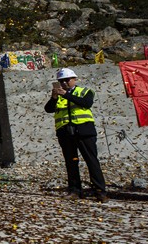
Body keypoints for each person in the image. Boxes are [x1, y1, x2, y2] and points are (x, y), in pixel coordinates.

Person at [44, 68, 107, 202]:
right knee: (71, 162)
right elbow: (48, 109)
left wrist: (66, 94)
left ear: (74, 79)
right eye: (61, 81)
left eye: (67, 80)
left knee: (92, 161)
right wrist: (54, 97)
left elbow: (86, 103)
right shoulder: (58, 96)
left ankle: (100, 191)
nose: (64, 83)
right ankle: (74, 190)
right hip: (66, 133)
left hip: (84, 132)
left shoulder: (85, 92)